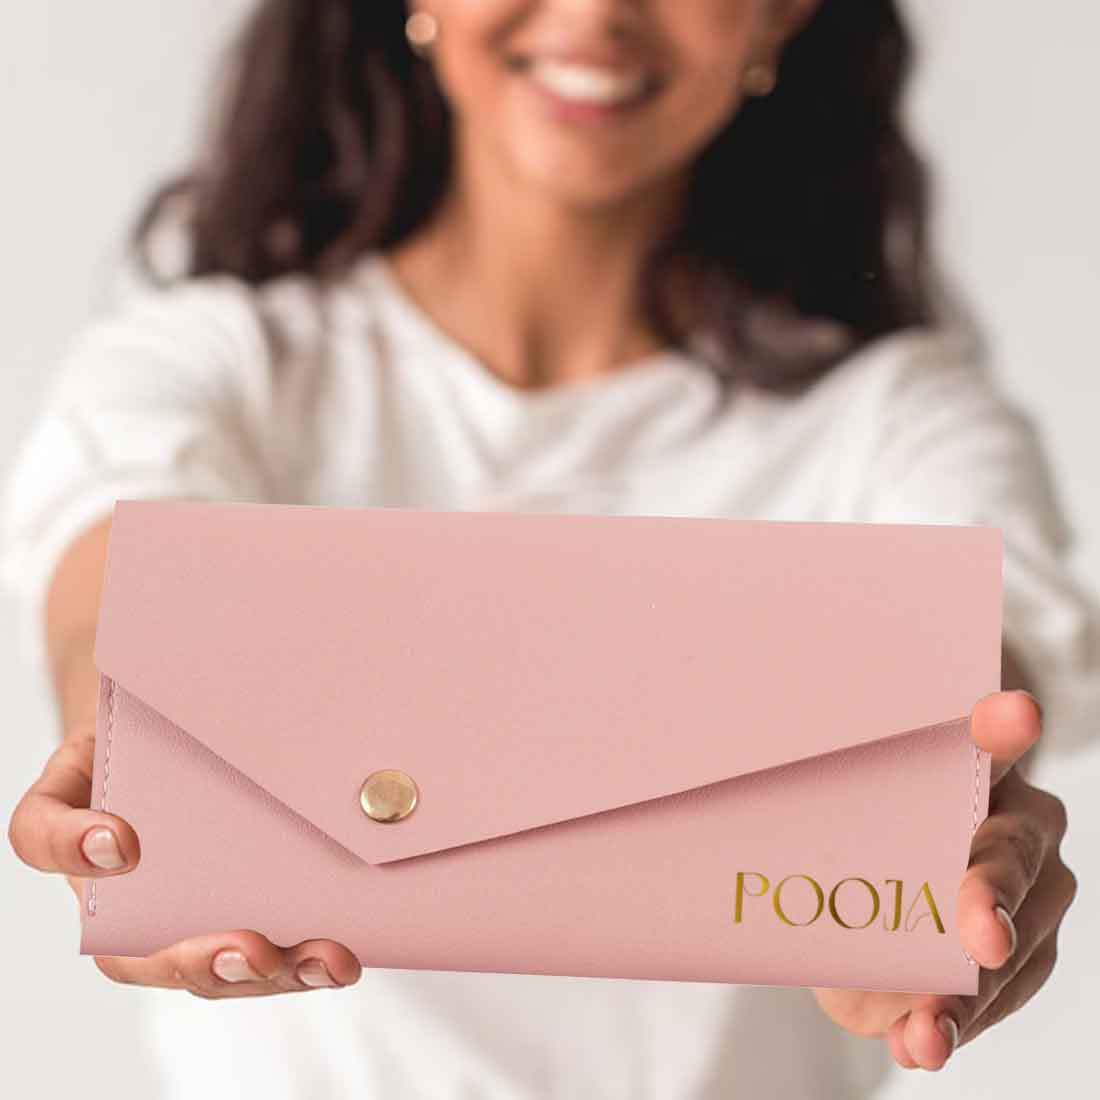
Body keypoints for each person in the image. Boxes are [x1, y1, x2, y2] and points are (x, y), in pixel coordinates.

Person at [2, 1, 1097, 1095]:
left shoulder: (900, 421)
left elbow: (981, 675)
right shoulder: (209, 368)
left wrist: (959, 836)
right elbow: (117, 611)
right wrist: (127, 785)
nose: (597, 12)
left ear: (782, 16)